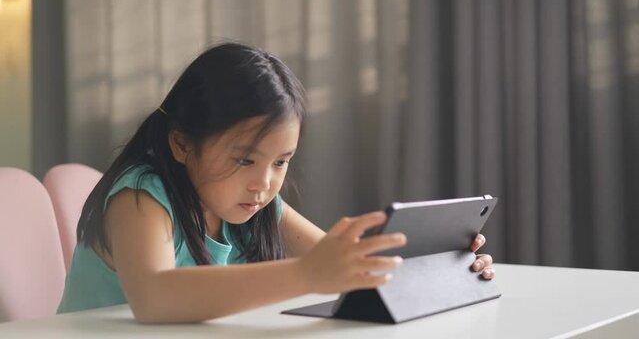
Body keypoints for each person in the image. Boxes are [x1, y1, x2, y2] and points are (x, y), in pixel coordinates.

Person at [57, 43, 495, 323]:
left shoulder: (256, 204)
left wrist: (444, 267)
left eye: (281, 162)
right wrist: (306, 274)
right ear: (182, 145)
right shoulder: (141, 197)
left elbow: (343, 267)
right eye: (244, 159)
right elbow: (155, 298)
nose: (263, 184)